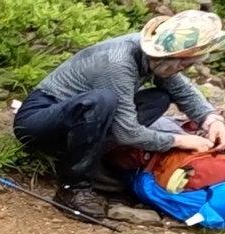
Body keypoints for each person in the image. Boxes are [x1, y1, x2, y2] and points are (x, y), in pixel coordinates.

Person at [14, 10, 225, 220]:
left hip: (77, 117)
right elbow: (127, 133)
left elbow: (182, 90)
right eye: (185, 65)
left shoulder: (153, 56)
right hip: (38, 120)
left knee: (159, 98)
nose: (184, 70)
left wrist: (211, 120)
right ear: (172, 59)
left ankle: (92, 158)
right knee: (101, 101)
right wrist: (179, 140)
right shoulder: (118, 64)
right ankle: (72, 186)